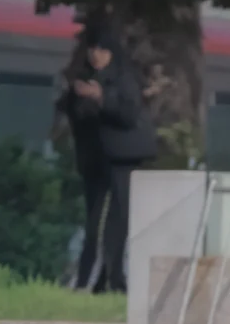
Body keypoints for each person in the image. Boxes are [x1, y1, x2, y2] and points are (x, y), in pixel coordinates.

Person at [57, 24, 157, 293]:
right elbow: (75, 115)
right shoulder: (85, 77)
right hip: (94, 159)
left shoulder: (124, 78)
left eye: (102, 49)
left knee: (116, 221)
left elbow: (128, 114)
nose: (96, 54)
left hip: (122, 159)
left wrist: (101, 97)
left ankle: (111, 278)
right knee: (94, 221)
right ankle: (89, 278)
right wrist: (75, 97)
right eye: (92, 48)